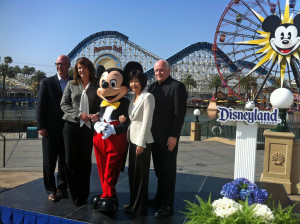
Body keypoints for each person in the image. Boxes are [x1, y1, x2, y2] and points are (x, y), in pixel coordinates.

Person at [148, 60, 187, 218]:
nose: (158, 73)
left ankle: (167, 205)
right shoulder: (152, 87)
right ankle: (159, 198)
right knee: (158, 171)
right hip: (154, 137)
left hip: (168, 138)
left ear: (169, 71)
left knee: (168, 173)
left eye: (161, 70)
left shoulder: (177, 87)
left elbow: (179, 114)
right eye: (156, 70)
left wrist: (174, 136)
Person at [60, 57, 100, 206]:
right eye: (79, 68)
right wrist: (78, 114)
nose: (81, 70)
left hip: (87, 128)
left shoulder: (96, 86)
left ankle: (83, 194)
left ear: (89, 68)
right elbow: (63, 104)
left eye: (84, 67)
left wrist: (98, 115)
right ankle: (73, 192)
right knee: (70, 161)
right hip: (71, 126)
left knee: (85, 162)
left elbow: (101, 106)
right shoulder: (71, 84)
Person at [37, 55, 71, 202]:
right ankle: (50, 190)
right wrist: (41, 126)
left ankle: (62, 188)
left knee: (64, 161)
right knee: (49, 162)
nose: (59, 66)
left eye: (62, 64)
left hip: (68, 129)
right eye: (57, 64)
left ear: (69, 65)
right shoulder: (47, 82)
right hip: (50, 129)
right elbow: (40, 106)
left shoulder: (74, 83)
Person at [122, 70, 155, 215]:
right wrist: (125, 119)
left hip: (143, 141)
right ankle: (133, 203)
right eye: (131, 81)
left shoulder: (148, 97)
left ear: (142, 82)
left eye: (136, 81)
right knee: (133, 174)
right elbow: (133, 118)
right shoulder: (133, 98)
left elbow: (147, 122)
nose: (133, 84)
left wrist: (141, 143)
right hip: (132, 139)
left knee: (141, 176)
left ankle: (140, 207)